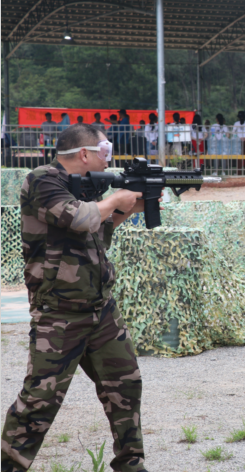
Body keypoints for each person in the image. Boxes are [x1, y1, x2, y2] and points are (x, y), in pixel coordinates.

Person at [1, 123, 152, 472]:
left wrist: (133, 205)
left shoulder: (85, 190)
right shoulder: (42, 180)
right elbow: (78, 218)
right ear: (84, 154)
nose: (108, 160)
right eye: (104, 152)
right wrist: (114, 199)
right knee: (38, 401)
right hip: (59, 314)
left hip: (101, 311)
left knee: (126, 387)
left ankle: (131, 464)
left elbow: (100, 231)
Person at [233, 111, 245, 176]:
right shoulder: (238, 123)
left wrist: (243, 138)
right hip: (240, 141)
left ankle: (244, 172)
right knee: (241, 157)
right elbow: (233, 132)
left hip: (244, 141)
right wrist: (243, 137)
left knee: (244, 157)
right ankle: (241, 172)